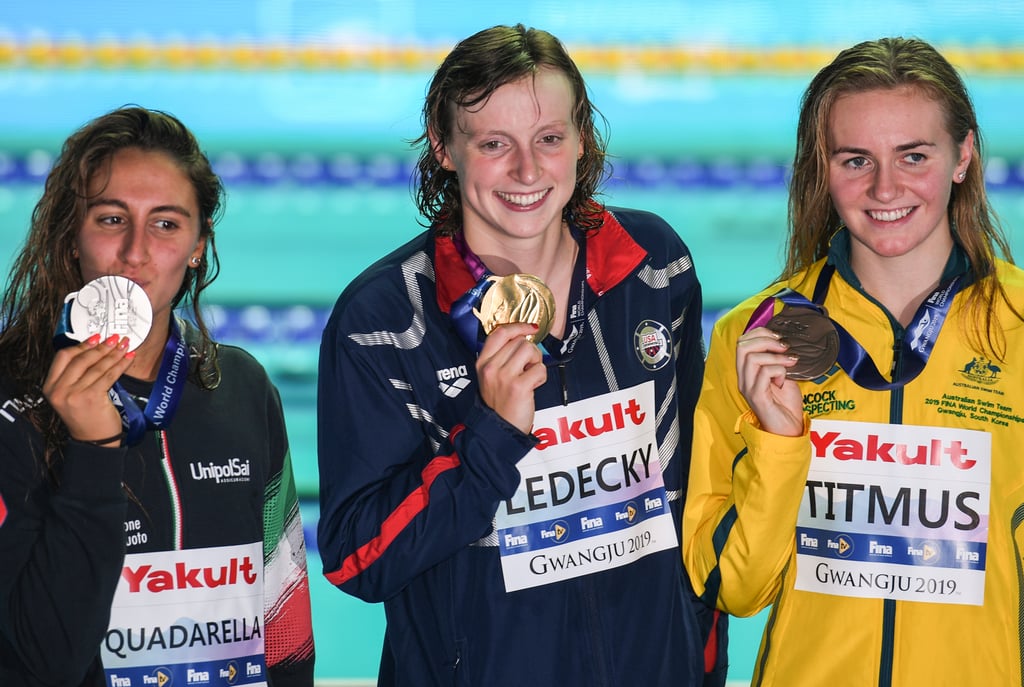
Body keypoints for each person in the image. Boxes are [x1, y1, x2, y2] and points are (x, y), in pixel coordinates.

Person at [317, 23, 726, 687]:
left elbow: (689, 500)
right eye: (493, 144)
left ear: (581, 138)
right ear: (444, 145)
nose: (528, 172)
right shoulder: (384, 320)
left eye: (549, 140)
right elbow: (356, 558)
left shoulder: (655, 266)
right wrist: (492, 437)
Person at [683, 36, 1024, 686]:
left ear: (964, 155)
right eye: (855, 159)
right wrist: (778, 444)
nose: (885, 187)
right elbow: (731, 585)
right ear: (823, 167)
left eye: (913, 156)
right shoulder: (755, 336)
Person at [0, 106, 315, 686]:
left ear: (199, 245)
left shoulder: (243, 388)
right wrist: (93, 452)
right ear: (73, 235)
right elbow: (43, 660)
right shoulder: (8, 402)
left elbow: (286, 617)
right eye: (112, 219)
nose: (137, 252)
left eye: (166, 224)